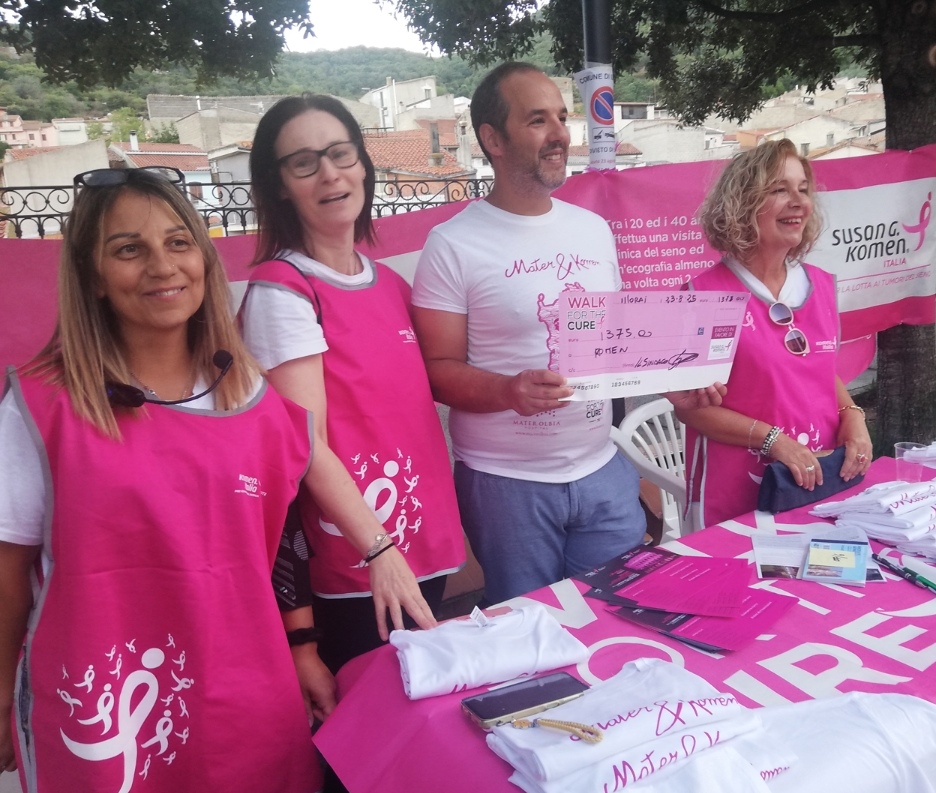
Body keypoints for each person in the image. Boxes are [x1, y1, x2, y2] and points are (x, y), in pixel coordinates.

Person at [0, 166, 427, 791]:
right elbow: (8, 571)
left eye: (178, 242)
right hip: (113, 713)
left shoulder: (249, 394)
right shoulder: (41, 410)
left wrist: (308, 641)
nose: (162, 266)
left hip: (245, 693)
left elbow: (284, 528)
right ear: (92, 276)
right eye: (129, 249)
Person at [411, 62, 722, 605]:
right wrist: (507, 390)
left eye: (561, 117)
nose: (560, 133)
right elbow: (436, 371)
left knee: (623, 615)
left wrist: (670, 384)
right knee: (531, 632)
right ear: (493, 140)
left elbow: (616, 344)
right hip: (507, 484)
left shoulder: (593, 230)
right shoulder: (452, 244)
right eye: (538, 120)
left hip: (604, 468)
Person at [240, 94, 465, 675]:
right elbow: (303, 442)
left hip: (423, 543)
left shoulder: (388, 283)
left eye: (341, 154)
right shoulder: (284, 291)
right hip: (358, 561)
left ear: (363, 164)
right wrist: (378, 548)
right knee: (368, 713)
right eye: (304, 163)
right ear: (279, 186)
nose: (330, 174)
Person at [675, 139, 873, 528]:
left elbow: (818, 371)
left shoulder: (821, 284)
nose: (798, 202)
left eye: (803, 189)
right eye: (780, 189)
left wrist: (853, 416)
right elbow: (690, 408)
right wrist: (774, 440)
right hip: (735, 487)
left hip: (816, 477)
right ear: (742, 204)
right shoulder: (703, 295)